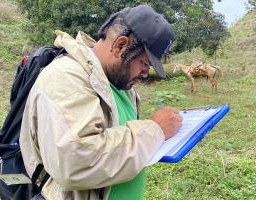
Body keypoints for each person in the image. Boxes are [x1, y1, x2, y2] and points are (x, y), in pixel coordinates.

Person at [19, 5, 183, 200]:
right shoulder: (65, 78)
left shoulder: (120, 85)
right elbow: (76, 162)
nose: (146, 73)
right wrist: (155, 130)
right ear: (120, 45)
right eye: (145, 63)